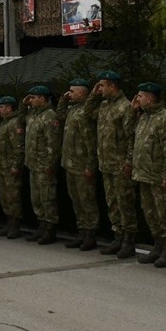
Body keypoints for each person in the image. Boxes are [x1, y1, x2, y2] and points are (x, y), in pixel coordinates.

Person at [130, 81, 166, 267]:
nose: (137, 98)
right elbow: (128, 131)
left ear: (149, 98)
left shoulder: (163, 117)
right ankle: (158, 246)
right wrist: (133, 111)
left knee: (164, 214)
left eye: (140, 96)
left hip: (158, 175)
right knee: (150, 212)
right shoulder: (143, 117)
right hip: (143, 174)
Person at [95, 71, 137, 258]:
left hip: (120, 165)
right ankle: (118, 237)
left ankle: (129, 241)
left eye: (102, 85)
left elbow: (131, 137)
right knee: (112, 203)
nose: (99, 89)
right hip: (106, 164)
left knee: (125, 203)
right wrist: (93, 95)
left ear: (112, 86)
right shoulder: (104, 105)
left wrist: (129, 161)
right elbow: (88, 113)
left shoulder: (125, 106)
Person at [57, 77, 100, 250]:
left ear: (82, 92)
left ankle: (90, 234)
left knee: (87, 200)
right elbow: (60, 116)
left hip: (82, 165)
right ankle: (81, 231)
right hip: (70, 164)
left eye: (72, 91)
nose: (69, 94)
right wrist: (63, 99)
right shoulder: (73, 110)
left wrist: (90, 165)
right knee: (76, 200)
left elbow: (90, 141)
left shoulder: (85, 113)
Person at [23, 84, 62, 244]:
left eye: (33, 97)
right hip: (33, 164)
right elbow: (20, 119)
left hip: (44, 166)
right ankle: (41, 226)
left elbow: (53, 144)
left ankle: (50, 229)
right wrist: (23, 104)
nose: (30, 100)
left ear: (42, 98)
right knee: (36, 199)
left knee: (47, 198)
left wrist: (50, 165)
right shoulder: (33, 114)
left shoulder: (49, 116)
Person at [0, 96, 26, 239]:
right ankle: (8, 223)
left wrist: (15, 165)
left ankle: (15, 226)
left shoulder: (14, 123)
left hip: (10, 167)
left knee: (13, 197)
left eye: (1, 107)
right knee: (5, 197)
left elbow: (18, 147)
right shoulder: (3, 122)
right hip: (2, 165)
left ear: (9, 108)